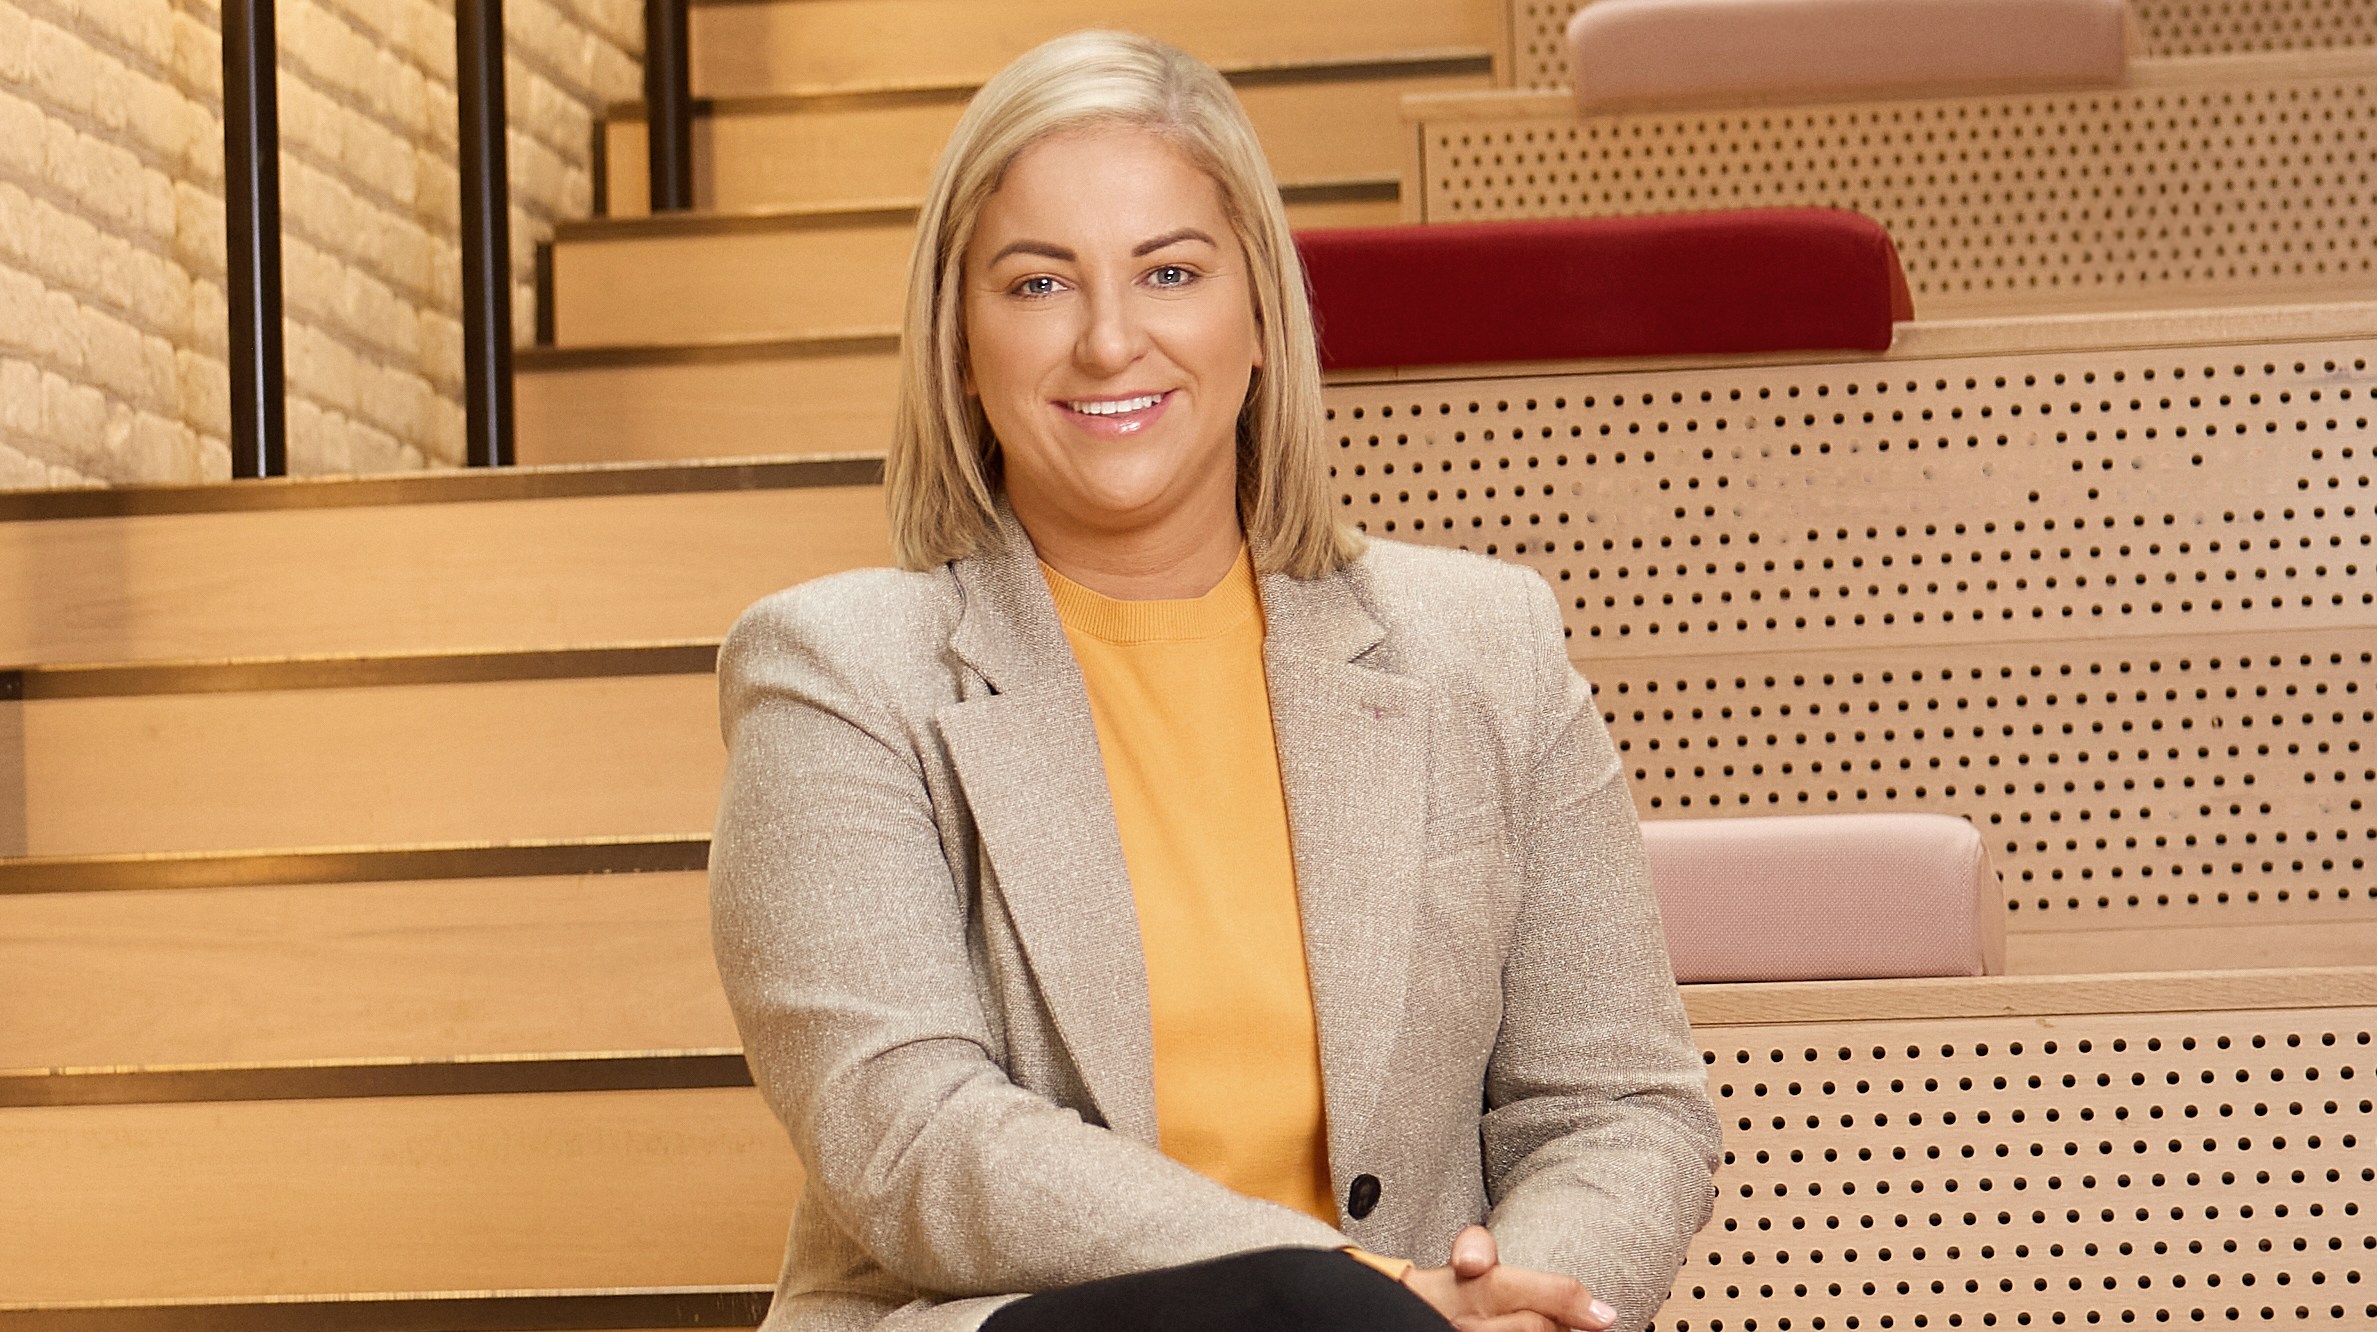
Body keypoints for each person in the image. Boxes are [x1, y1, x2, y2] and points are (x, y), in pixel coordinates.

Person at [709, 30, 1720, 1332]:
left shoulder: (1483, 640)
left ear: (1256, 320)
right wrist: (1357, 1298)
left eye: (1170, 272)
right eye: (1036, 285)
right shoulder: (839, 670)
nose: (1109, 341)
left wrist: (1520, 1311)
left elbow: (1617, 1105)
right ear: (959, 344)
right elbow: (908, 1135)